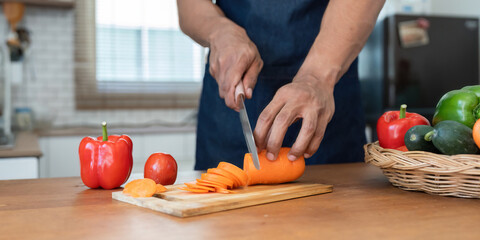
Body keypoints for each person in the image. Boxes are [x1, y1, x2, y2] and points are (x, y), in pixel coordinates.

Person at [177, 0, 385, 170]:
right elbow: (189, 7)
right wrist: (220, 33)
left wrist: (317, 78)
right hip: (232, 95)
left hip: (328, 83)